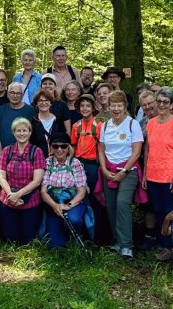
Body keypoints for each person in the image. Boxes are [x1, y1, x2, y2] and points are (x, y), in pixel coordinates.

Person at [140, 88, 173, 257]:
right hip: (153, 174)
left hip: (169, 175)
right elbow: (147, 150)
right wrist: (145, 174)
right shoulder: (151, 123)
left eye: (165, 102)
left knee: (169, 212)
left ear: (172, 104)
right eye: (159, 101)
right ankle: (162, 243)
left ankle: (170, 247)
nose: (161, 105)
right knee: (158, 211)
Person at [98, 90, 143, 259]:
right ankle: (116, 241)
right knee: (111, 206)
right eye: (113, 106)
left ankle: (127, 245)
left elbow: (136, 152)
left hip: (128, 170)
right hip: (108, 170)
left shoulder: (133, 124)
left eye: (119, 105)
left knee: (122, 203)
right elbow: (101, 149)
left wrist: (124, 171)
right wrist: (104, 169)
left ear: (125, 107)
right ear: (108, 107)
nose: (116, 109)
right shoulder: (105, 125)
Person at [0, 118, 46, 244]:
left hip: (30, 200)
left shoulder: (36, 152)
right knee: (11, 239)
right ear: (13, 133)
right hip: (9, 200)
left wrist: (18, 194)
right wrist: (11, 194)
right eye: (18, 131)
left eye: (24, 130)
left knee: (27, 240)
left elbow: (37, 181)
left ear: (30, 132)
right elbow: (1, 176)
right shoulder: (7, 151)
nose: (21, 133)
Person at [41, 132, 88, 248]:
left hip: (73, 202)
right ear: (51, 148)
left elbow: (82, 191)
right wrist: (55, 206)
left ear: (68, 148)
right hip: (53, 203)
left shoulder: (75, 163)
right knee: (55, 245)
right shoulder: (47, 163)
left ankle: (76, 238)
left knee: (74, 219)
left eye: (63, 146)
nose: (59, 149)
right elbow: (43, 191)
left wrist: (68, 205)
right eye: (56, 146)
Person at [70, 93, 105, 242]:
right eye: (82, 106)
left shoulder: (99, 124)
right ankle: (83, 233)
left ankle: (98, 235)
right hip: (79, 164)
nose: (85, 108)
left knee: (95, 199)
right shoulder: (76, 126)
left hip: (93, 166)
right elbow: (73, 146)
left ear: (93, 108)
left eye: (88, 106)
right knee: (80, 198)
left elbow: (103, 147)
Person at [0, 82, 35, 153]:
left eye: (18, 93)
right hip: (3, 153)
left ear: (22, 95)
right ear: (7, 94)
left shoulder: (30, 110)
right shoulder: (1, 109)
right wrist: (1, 155)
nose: (15, 96)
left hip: (24, 154)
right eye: (12, 92)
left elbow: (32, 133)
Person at [29, 90, 66, 156]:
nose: (44, 103)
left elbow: (63, 140)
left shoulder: (58, 121)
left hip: (56, 158)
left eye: (46, 100)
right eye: (40, 100)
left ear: (51, 103)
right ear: (36, 104)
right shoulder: (32, 122)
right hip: (38, 158)